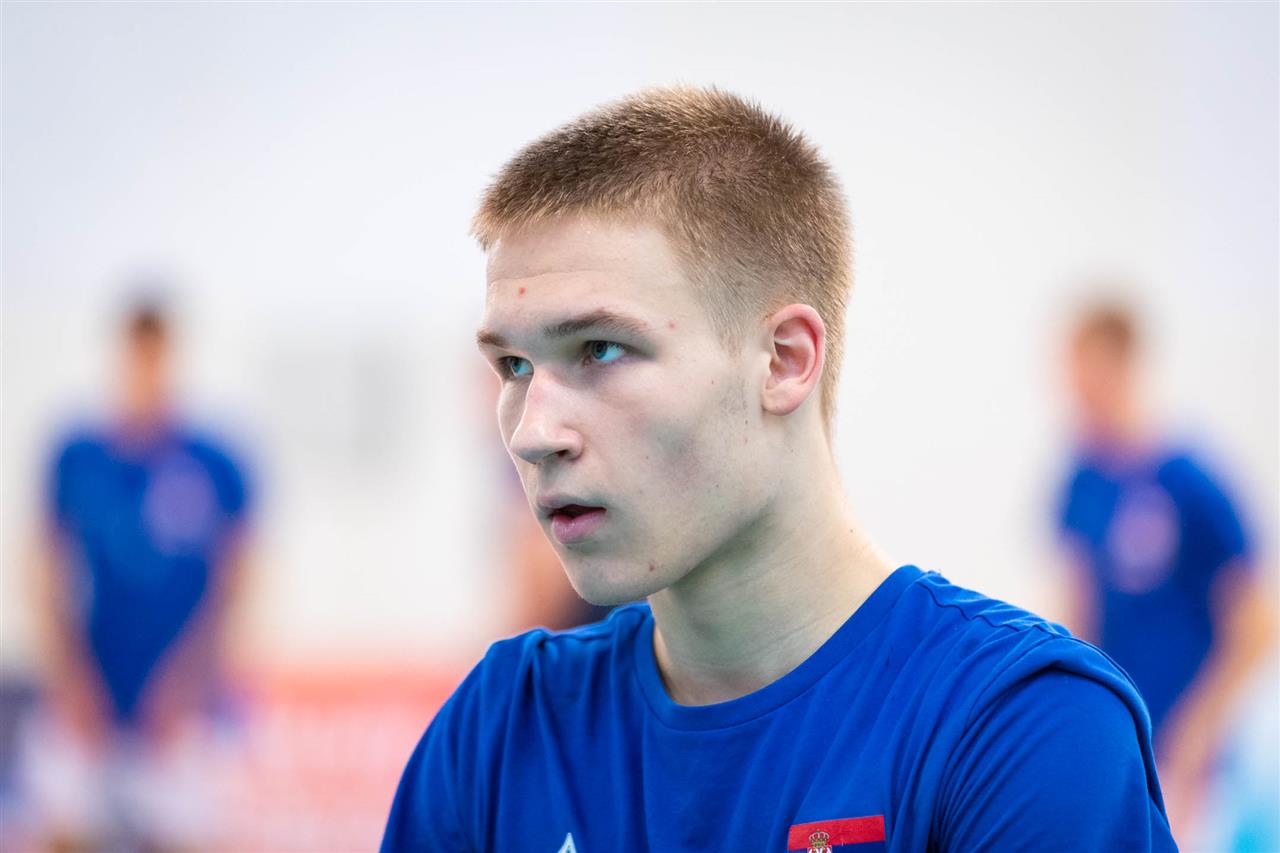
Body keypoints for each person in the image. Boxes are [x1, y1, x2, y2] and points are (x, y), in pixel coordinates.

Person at [383, 88, 1176, 851]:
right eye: (515, 365)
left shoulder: (1023, 726)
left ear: (784, 360)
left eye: (600, 349)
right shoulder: (498, 731)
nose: (532, 432)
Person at [29, 296, 253, 851]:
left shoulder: (215, 462)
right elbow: (45, 573)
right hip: (96, 690)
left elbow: (237, 587)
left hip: (181, 703)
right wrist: (70, 678)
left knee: (189, 830)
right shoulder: (78, 455)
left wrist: (191, 683)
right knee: (61, 824)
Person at [1055, 300, 1276, 840]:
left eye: (1090, 381)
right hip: (1123, 746)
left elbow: (1257, 622)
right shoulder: (1083, 480)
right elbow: (1079, 612)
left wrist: (1200, 732)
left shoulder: (1190, 481)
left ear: (1124, 366)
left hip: (1194, 764)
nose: (1078, 398)